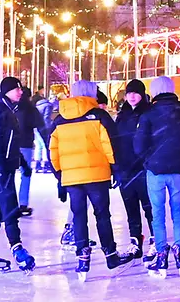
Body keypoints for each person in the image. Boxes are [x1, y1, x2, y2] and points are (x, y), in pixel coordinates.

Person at [50, 80, 131, 279]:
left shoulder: (59, 120)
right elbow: (110, 145)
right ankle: (111, 255)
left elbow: (54, 151)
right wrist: (116, 169)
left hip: (72, 177)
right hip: (97, 175)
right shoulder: (100, 116)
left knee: (79, 216)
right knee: (102, 214)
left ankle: (82, 258)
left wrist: (60, 175)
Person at [134, 75, 180, 276]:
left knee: (158, 214)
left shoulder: (148, 115)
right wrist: (179, 153)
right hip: (177, 169)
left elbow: (138, 145)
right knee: (178, 212)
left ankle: (161, 254)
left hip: (155, 170)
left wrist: (150, 158)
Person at [0, 76, 34, 274]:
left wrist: (23, 163)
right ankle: (17, 248)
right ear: (6, 91)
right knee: (10, 206)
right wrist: (1, 165)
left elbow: (12, 141)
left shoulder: (8, 110)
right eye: (17, 89)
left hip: (5, 166)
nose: (20, 92)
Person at [111, 80, 153, 259]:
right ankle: (135, 240)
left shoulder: (149, 113)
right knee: (131, 208)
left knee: (149, 207)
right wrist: (115, 167)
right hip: (126, 170)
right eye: (129, 94)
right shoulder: (122, 116)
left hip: (144, 169)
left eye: (136, 93)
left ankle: (155, 240)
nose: (132, 97)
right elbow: (114, 141)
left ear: (142, 94)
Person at [14, 91, 41, 214]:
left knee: (8, 175)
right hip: (26, 145)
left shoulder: (12, 108)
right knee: (25, 175)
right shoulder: (31, 109)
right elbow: (39, 125)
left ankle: (8, 203)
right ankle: (23, 203)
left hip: (12, 145)